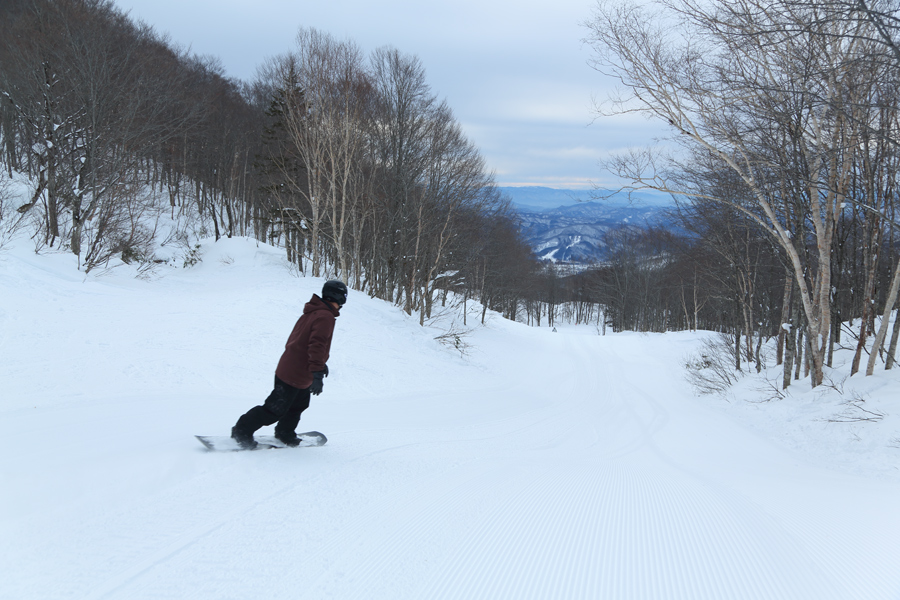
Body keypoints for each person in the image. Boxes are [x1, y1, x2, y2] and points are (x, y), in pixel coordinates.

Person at [231, 279, 348, 449]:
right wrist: (317, 372)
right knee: (274, 409)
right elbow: (317, 344)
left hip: (298, 370)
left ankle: (285, 432)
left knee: (298, 405)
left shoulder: (315, 311)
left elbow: (303, 341)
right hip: (294, 373)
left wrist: (320, 364)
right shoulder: (325, 316)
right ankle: (241, 430)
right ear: (339, 297)